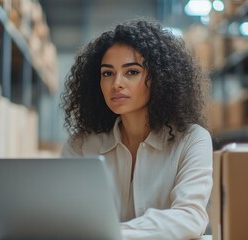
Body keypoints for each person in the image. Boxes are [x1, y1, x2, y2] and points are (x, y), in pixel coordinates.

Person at [60, 18, 213, 240]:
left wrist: (112, 234)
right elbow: (62, 216)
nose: (116, 84)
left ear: (160, 78)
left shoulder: (192, 139)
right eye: (107, 73)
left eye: (131, 72)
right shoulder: (81, 145)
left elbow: (190, 218)